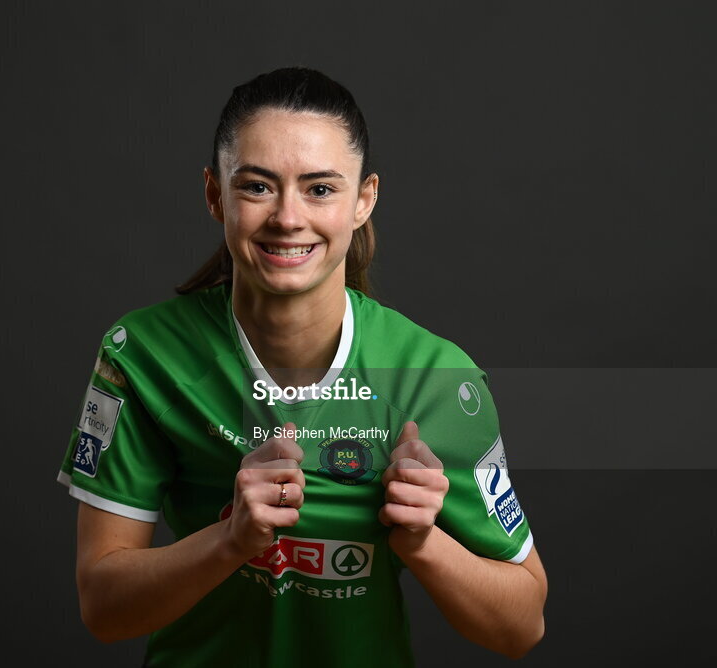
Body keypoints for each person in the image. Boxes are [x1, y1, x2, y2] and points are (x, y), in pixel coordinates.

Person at [57, 66, 547, 666]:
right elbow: (103, 609)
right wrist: (230, 539)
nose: (288, 218)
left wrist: (423, 542)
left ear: (364, 200)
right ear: (215, 194)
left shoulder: (436, 380)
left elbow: (522, 626)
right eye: (257, 186)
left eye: (319, 189)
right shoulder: (143, 354)